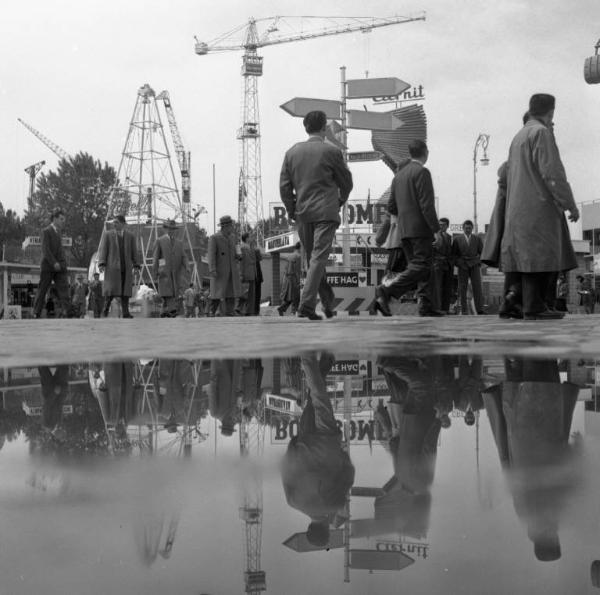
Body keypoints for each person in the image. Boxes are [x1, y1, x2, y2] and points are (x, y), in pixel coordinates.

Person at [500, 93, 579, 320]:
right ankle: (535, 307)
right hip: (538, 206)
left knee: (526, 257)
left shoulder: (519, 136)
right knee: (542, 254)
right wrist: (569, 204)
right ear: (551, 112)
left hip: (517, 208)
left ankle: (520, 304)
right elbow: (552, 173)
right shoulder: (541, 133)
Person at [280, 110, 353, 320]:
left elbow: (284, 186)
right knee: (318, 259)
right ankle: (306, 306)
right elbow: (346, 182)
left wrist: (292, 209)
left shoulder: (292, 153)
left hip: (303, 214)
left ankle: (328, 303)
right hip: (326, 212)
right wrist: (340, 200)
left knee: (314, 261)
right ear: (325, 128)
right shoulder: (332, 152)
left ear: (305, 128)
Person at [280, 354, 355, 547]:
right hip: (305, 443)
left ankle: (309, 358)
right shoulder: (294, 502)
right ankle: (322, 364)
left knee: (319, 399)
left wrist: (341, 453)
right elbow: (286, 471)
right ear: (309, 528)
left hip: (328, 443)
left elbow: (348, 474)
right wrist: (294, 444)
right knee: (312, 402)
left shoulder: (335, 504)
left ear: (326, 530)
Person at [373, 140, 442, 317]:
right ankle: (386, 291)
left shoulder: (398, 177)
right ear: (425, 152)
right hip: (420, 230)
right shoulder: (422, 172)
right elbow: (427, 205)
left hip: (404, 232)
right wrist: (436, 229)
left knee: (422, 268)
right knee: (421, 265)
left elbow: (391, 207)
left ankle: (427, 306)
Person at [98, 214, 141, 318]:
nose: (114, 224)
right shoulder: (108, 235)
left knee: (125, 292)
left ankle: (125, 313)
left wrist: (136, 265)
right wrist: (102, 263)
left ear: (123, 224)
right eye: (114, 222)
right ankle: (105, 311)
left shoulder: (130, 236)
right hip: (112, 268)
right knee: (110, 291)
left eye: (117, 222)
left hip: (125, 268)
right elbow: (103, 250)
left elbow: (134, 252)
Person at [33, 208, 69, 318]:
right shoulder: (46, 231)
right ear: (55, 219)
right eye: (61, 219)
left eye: (64, 219)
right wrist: (54, 263)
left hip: (60, 267)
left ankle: (66, 312)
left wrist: (62, 263)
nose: (64, 221)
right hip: (48, 266)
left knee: (64, 288)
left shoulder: (59, 233)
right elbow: (45, 249)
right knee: (42, 289)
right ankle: (36, 313)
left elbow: (60, 251)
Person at [152, 219, 188, 318]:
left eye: (173, 229)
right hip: (164, 272)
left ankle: (163, 312)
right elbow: (156, 257)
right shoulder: (160, 241)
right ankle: (172, 310)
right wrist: (155, 271)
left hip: (175, 273)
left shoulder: (179, 243)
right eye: (169, 229)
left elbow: (183, 256)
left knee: (171, 293)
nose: (171, 231)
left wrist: (187, 265)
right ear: (165, 229)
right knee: (167, 292)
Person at [207, 215, 242, 316]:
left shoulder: (233, 237)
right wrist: (212, 269)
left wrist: (238, 255)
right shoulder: (214, 238)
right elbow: (211, 255)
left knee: (231, 291)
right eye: (231, 226)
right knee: (217, 292)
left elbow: (236, 250)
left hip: (232, 269)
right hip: (220, 270)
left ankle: (230, 311)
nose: (233, 228)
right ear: (225, 226)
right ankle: (211, 311)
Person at [451, 220, 484, 315]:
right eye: (466, 228)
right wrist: (459, 263)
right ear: (463, 228)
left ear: (472, 228)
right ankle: (464, 310)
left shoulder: (477, 239)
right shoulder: (457, 239)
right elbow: (454, 255)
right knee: (462, 288)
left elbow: (482, 253)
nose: (468, 230)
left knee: (477, 287)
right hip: (463, 266)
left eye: (469, 228)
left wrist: (477, 262)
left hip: (474, 265)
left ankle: (480, 309)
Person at [431, 217, 454, 314]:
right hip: (437, 264)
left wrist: (450, 263)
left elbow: (450, 252)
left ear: (447, 226)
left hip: (447, 265)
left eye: (443, 225)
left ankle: (445, 309)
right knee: (438, 287)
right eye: (439, 225)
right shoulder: (434, 236)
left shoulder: (449, 237)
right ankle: (438, 308)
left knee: (447, 288)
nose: (441, 226)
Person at [278, 242, 302, 316]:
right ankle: (293, 311)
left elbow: (286, 268)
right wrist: (298, 281)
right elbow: (297, 270)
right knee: (296, 296)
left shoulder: (289, 256)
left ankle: (282, 308)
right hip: (293, 278)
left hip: (287, 278)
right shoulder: (298, 256)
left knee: (290, 296)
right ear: (300, 248)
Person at [238, 232, 258, 316]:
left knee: (250, 293)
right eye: (250, 237)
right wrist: (241, 274)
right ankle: (241, 309)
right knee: (246, 293)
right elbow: (241, 262)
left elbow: (257, 258)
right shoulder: (242, 248)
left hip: (251, 272)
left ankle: (249, 311)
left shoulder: (250, 247)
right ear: (246, 238)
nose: (252, 238)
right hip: (247, 273)